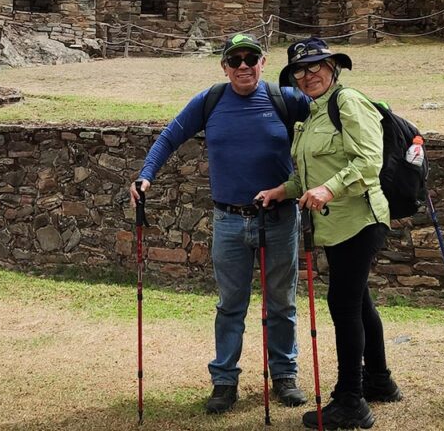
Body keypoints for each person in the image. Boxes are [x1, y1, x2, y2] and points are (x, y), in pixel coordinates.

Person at [129, 33, 310, 414]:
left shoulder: (285, 99)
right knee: (231, 305)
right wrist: (146, 175)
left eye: (251, 58)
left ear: (263, 62)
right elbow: (170, 135)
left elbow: (330, 116)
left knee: (281, 303)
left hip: (279, 217)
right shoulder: (210, 100)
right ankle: (224, 381)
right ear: (224, 66)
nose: (243, 66)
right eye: (235, 60)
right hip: (229, 219)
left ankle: (284, 376)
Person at [256, 37, 403, 430]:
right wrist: (282, 191)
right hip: (335, 225)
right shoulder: (313, 116)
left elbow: (369, 161)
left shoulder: (349, 102)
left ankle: (351, 402)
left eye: (316, 65)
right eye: (300, 70)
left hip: (359, 219)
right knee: (360, 302)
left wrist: (329, 190)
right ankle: (380, 381)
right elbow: (308, 175)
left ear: (333, 67)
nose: (308, 75)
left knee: (343, 304)